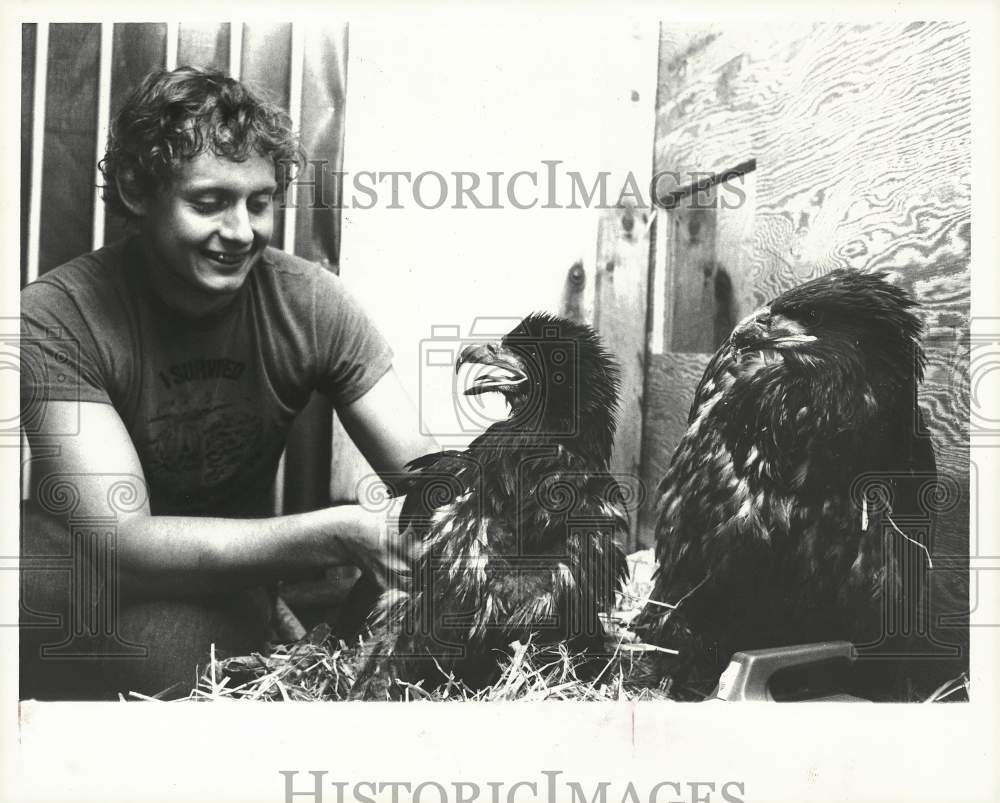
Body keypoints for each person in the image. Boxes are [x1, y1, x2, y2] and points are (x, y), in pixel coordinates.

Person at [19, 66, 435, 700]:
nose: (242, 232)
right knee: (168, 660)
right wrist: (334, 531)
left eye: (260, 203)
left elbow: (432, 478)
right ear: (138, 192)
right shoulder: (57, 315)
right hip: (82, 576)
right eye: (209, 203)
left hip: (227, 575)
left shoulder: (311, 303)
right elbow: (124, 544)